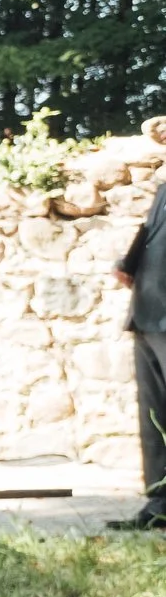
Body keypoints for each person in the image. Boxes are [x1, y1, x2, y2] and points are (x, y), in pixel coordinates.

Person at [111, 171, 166, 528]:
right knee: (154, 416)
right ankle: (158, 506)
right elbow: (150, 232)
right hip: (147, 310)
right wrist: (127, 264)